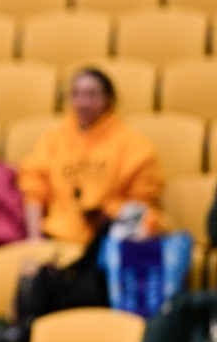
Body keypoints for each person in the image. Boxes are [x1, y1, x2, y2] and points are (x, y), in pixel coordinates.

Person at [18, 67, 164, 247]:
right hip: (56, 236)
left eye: (92, 95)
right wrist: (34, 240)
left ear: (108, 99)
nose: (83, 103)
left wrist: (110, 214)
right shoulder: (52, 139)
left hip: (110, 238)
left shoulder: (134, 145)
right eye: (76, 95)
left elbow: (142, 201)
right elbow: (34, 190)